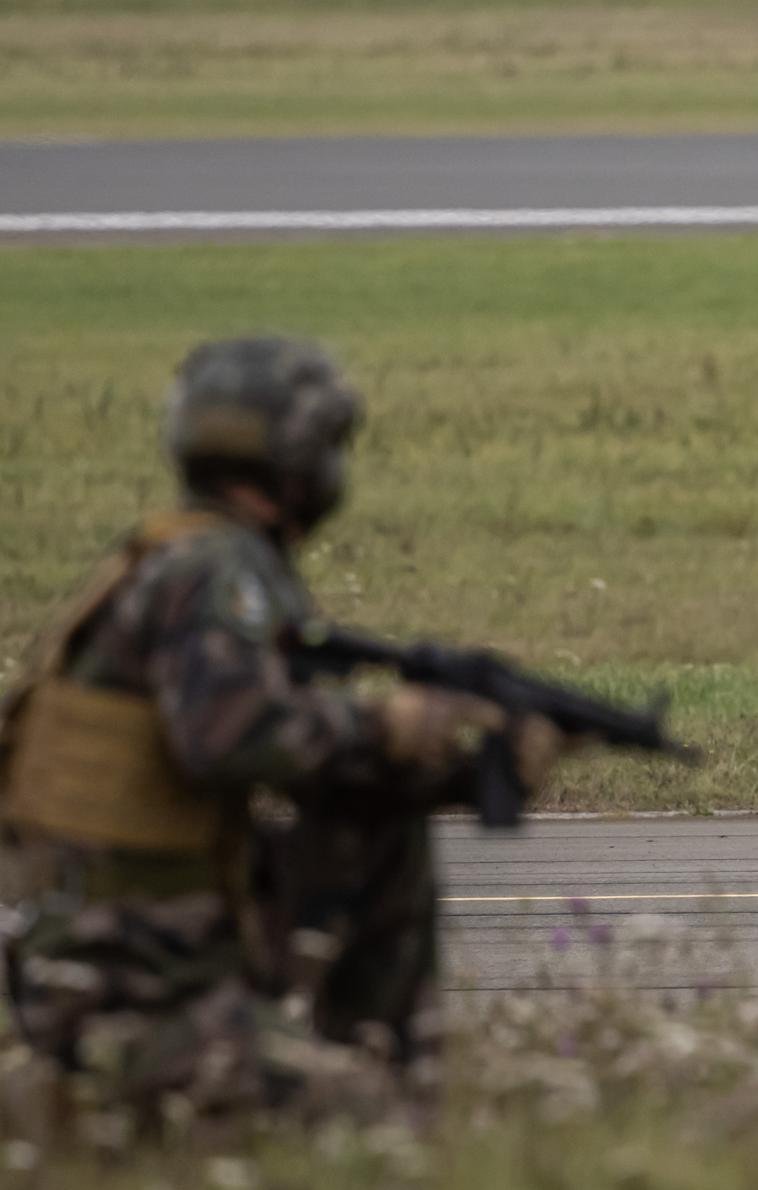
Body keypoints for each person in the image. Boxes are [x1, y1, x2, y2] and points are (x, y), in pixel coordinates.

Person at [0, 337, 567, 1126]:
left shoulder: (186, 554)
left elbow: (304, 762)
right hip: (129, 987)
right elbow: (230, 739)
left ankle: (370, 1047)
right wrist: (388, 722)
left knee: (372, 814)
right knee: (364, 1118)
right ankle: (379, 1091)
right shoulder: (215, 573)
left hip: (116, 951)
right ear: (298, 459)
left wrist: (465, 764)